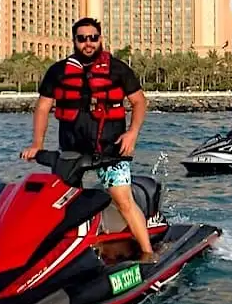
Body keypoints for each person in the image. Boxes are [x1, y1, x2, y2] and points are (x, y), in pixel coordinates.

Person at [19, 17, 156, 262]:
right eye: (82, 39)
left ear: (100, 39)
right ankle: (67, 256)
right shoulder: (58, 71)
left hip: (111, 148)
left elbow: (138, 101)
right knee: (64, 205)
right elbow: (42, 108)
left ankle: (148, 254)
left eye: (93, 38)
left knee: (123, 200)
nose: (88, 43)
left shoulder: (118, 69)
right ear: (74, 41)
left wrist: (132, 132)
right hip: (72, 151)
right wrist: (37, 145)